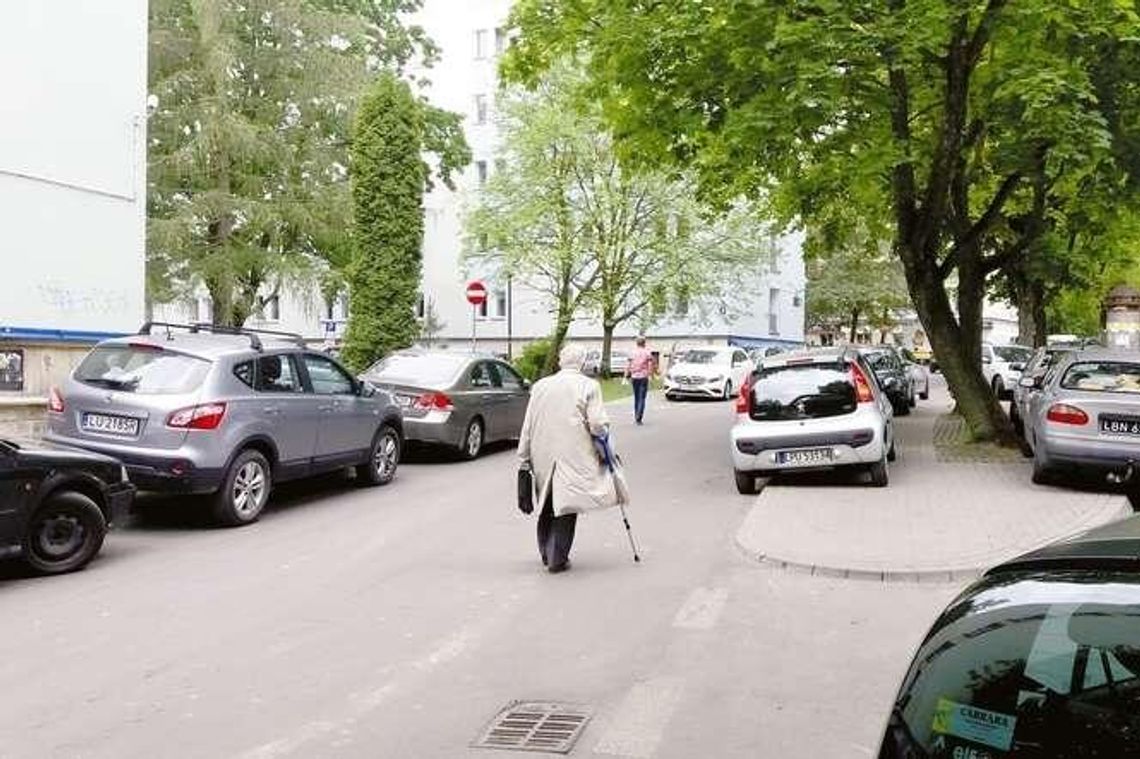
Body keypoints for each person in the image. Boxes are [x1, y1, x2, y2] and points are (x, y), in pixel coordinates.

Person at [517, 344, 618, 574]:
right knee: (567, 503)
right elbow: (597, 425)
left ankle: (546, 551)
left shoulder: (540, 386)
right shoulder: (589, 386)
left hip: (542, 452)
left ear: (560, 361)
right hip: (575, 453)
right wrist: (605, 448)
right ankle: (556, 556)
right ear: (582, 363)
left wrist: (523, 455)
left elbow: (528, 423)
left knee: (546, 500)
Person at [625, 336, 655, 425]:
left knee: (636, 396)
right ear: (644, 343)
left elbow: (628, 364)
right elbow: (650, 365)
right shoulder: (647, 352)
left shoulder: (632, 352)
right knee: (642, 397)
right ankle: (639, 417)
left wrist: (626, 375)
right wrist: (650, 375)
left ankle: (636, 415)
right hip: (643, 377)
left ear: (637, 343)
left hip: (634, 377)